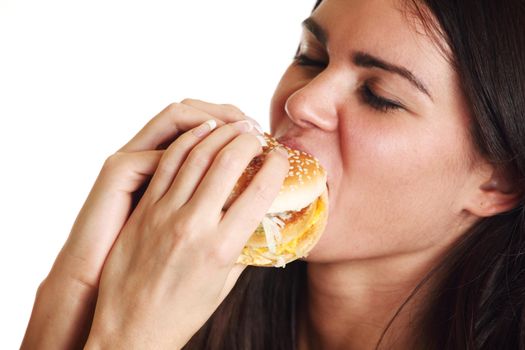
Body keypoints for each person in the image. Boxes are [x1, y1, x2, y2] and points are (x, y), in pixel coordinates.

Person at [22, 0, 525, 348]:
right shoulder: (164, 290)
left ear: (496, 182)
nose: (300, 102)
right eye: (311, 58)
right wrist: (74, 290)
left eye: (379, 97)